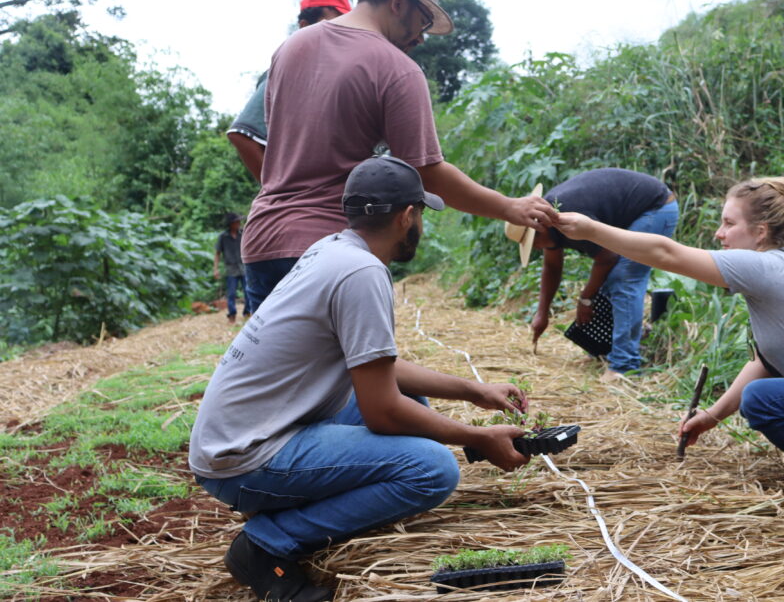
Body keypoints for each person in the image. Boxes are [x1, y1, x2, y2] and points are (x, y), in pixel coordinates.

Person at [189, 156, 531, 602]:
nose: (420, 225)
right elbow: (383, 411)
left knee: (410, 401)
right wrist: (476, 437)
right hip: (244, 458)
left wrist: (473, 391)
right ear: (407, 216)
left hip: (242, 434)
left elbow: (379, 370)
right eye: (421, 214)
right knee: (432, 470)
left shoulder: (333, 250)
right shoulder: (363, 273)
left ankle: (297, 504)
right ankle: (266, 544)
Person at [554, 177, 784, 496]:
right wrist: (711, 417)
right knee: (764, 388)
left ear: (759, 232)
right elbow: (763, 363)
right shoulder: (782, 268)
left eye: (728, 223)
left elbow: (665, 252)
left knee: (760, 400)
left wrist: (592, 230)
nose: (719, 233)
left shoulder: (763, 265)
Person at [241, 0, 556, 314]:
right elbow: (426, 172)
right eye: (422, 23)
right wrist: (509, 207)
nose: (421, 38)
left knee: (276, 369)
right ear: (398, 1)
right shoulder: (397, 69)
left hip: (262, 241)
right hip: (331, 251)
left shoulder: (290, 48)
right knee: (350, 371)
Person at [507, 169, 678, 380]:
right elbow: (551, 268)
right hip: (632, 212)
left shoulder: (570, 218)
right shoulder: (548, 219)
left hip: (656, 208)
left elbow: (607, 257)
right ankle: (605, 351)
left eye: (533, 243)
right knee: (607, 280)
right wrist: (542, 313)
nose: (535, 248)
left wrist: (585, 299)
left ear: (539, 230)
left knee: (623, 278)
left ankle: (624, 367)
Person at [226, 0, 352, 183]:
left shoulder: (332, 76)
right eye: (333, 24)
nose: (341, 33)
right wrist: (278, 191)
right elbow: (242, 135)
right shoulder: (292, 70)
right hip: (301, 207)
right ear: (304, 27)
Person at [213, 212, 248, 323]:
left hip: (244, 267)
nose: (239, 223)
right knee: (231, 293)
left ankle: (247, 312)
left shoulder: (243, 234)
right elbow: (217, 253)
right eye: (236, 222)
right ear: (231, 224)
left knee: (248, 291)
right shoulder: (223, 237)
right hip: (231, 269)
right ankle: (232, 314)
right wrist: (216, 269)